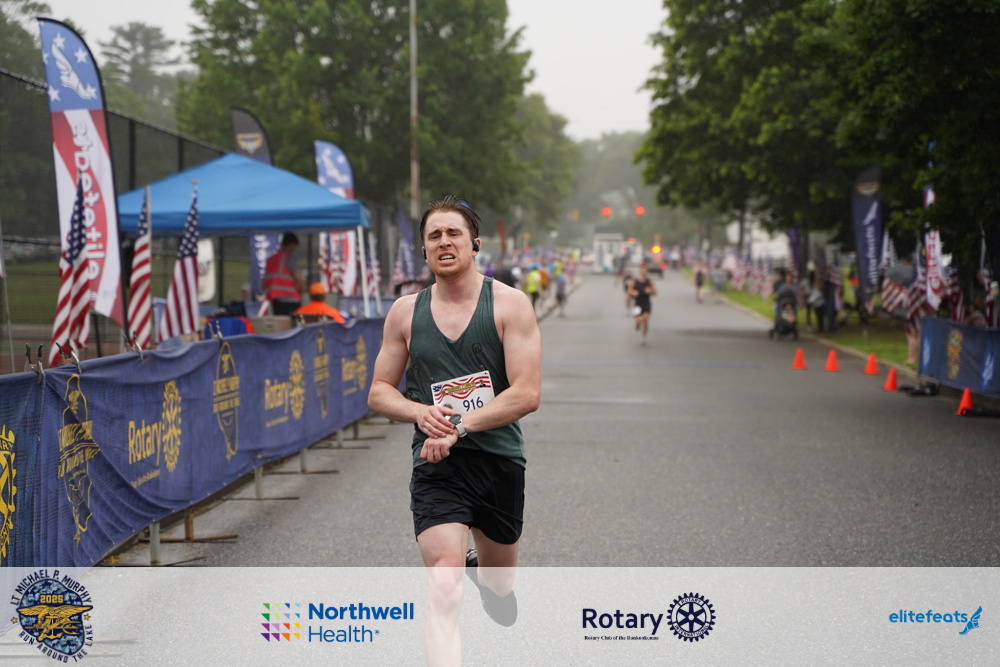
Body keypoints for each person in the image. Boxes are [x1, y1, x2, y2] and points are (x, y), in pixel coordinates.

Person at [367, 196, 542, 664]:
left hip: (499, 461)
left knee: (500, 587)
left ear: (474, 244)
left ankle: (488, 581)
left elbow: (526, 393)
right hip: (437, 464)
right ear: (424, 251)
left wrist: (459, 425)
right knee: (444, 588)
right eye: (434, 236)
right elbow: (379, 391)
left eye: (453, 233)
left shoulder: (510, 305)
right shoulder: (405, 312)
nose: (444, 242)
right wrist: (418, 412)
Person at [262, 232, 306, 315]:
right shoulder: (289, 258)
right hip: (291, 300)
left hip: (276, 299)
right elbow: (299, 281)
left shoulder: (270, 260)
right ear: (291, 244)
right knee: (293, 322)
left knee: (281, 322)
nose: (294, 250)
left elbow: (264, 282)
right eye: (294, 246)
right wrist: (300, 295)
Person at [629, 263, 657, 344]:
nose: (643, 272)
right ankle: (637, 323)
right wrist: (633, 292)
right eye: (642, 271)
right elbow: (629, 290)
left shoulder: (649, 282)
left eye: (645, 271)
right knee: (638, 320)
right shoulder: (636, 281)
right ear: (640, 271)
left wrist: (650, 291)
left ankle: (643, 336)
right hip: (637, 304)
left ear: (647, 272)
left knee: (645, 320)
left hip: (646, 303)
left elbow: (655, 292)